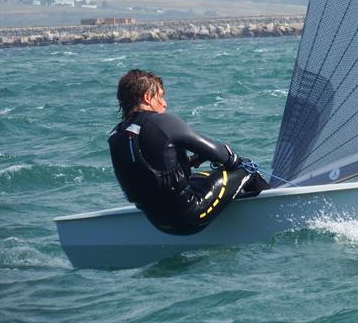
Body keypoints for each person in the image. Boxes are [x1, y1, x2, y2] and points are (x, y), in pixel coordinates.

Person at [108, 69, 269, 235]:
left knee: (204, 177)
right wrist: (233, 159)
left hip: (158, 223)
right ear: (147, 97)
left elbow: (149, 174)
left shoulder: (116, 135)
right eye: (161, 96)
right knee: (247, 169)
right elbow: (222, 155)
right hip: (191, 217)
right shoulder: (161, 122)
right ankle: (271, 210)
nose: (165, 103)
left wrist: (191, 161)